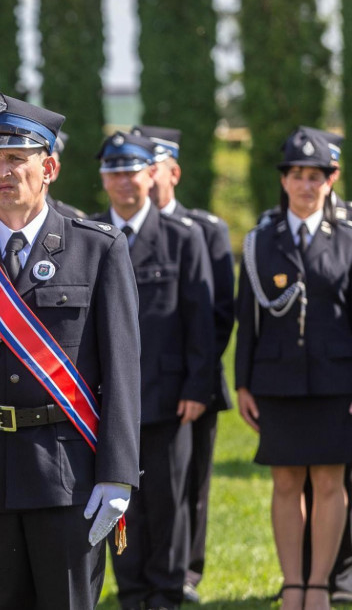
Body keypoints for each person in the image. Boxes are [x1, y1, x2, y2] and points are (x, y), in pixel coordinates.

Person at [0, 94, 141, 609]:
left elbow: (123, 372)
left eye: (17, 159)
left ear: (50, 168)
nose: (3, 172)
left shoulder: (98, 249)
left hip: (67, 474)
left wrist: (117, 474)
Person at [94, 131, 215, 610]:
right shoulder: (91, 236)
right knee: (119, 496)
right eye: (115, 172)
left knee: (166, 497)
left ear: (152, 175)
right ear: (103, 178)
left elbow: (200, 321)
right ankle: (132, 588)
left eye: (133, 171)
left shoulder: (183, 238)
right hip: (108, 398)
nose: (125, 182)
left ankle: (165, 589)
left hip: (167, 394)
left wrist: (198, 385)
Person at [235, 125, 352, 610]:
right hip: (277, 381)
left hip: (335, 382)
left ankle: (320, 584)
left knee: (329, 481)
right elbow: (248, 318)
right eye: (297, 175)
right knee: (285, 482)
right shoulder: (262, 239)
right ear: (283, 180)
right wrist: (242, 382)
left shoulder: (347, 238)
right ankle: (292, 584)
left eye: (316, 176)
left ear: (332, 178)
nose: (306, 185)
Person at [132, 124, 236, 604]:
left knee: (189, 481)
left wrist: (196, 373)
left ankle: (186, 570)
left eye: (155, 169)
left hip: (193, 380)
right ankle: (151, 569)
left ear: (172, 171)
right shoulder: (118, 228)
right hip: (145, 382)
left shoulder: (206, 230)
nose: (148, 179)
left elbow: (215, 313)